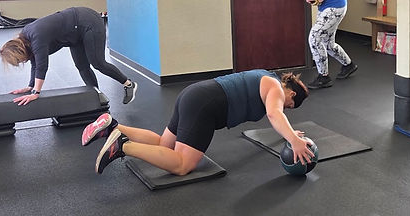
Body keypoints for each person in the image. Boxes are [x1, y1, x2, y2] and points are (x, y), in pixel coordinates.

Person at [84, 70, 313, 175]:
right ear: (291, 95)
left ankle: (113, 126)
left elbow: (277, 117)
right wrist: (294, 140)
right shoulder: (276, 89)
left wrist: (289, 133)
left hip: (194, 94)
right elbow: (275, 114)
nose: (285, 108)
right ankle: (122, 146)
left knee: (165, 144)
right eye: (289, 106)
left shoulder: (266, 76)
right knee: (183, 165)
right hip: (206, 105)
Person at [0, 6, 137, 106]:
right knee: (82, 66)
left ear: (19, 51)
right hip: (74, 33)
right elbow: (35, 62)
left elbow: (42, 66)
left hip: (88, 22)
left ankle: (129, 84)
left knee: (98, 63)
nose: (23, 62)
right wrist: (30, 87)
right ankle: (96, 96)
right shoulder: (26, 39)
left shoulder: (36, 37)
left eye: (20, 60)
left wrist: (36, 93)